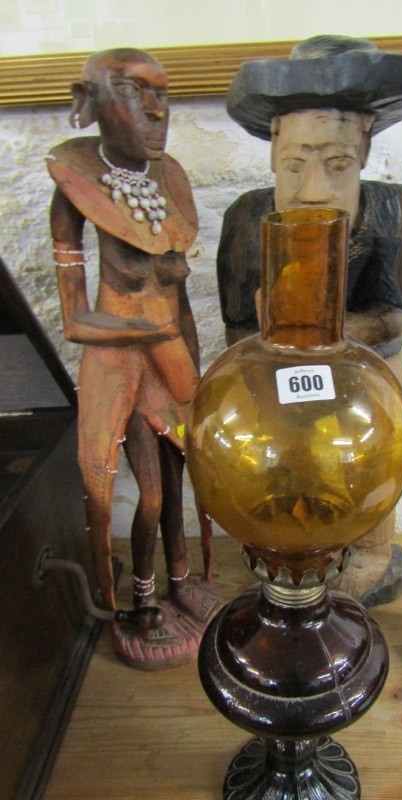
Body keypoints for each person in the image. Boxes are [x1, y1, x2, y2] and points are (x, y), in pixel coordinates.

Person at [217, 35, 402, 605]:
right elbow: (237, 329)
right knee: (279, 457)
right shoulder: (248, 217)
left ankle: (369, 549)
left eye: (337, 164)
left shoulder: (395, 209)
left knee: (372, 449)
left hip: (368, 369)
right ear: (274, 145)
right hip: (273, 371)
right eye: (295, 165)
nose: (313, 190)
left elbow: (397, 317)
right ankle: (284, 541)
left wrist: (323, 337)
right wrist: (279, 345)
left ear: (363, 144)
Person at [46, 48, 220, 669]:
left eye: (162, 94)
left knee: (182, 478)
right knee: (148, 496)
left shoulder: (168, 181)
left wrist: (190, 367)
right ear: (89, 101)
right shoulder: (75, 192)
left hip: (172, 360)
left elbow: (179, 297)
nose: (155, 110)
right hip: (124, 363)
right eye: (133, 91)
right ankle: (143, 602)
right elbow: (75, 320)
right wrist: (145, 332)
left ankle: (180, 580)